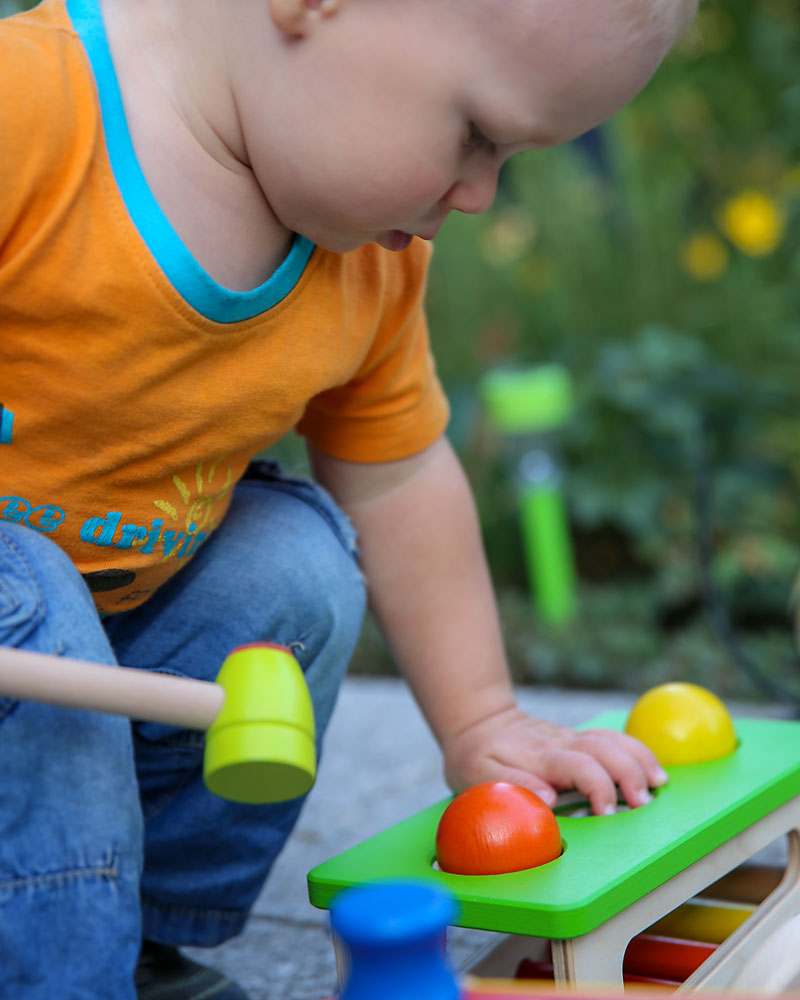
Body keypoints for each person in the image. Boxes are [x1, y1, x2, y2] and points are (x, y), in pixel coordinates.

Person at [0, 0, 696, 995]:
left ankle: (132, 931)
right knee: (30, 595)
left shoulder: (369, 257)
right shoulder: (27, 108)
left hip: (100, 637)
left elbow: (399, 470)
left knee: (293, 569)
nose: (481, 196)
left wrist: (480, 722)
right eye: (474, 135)